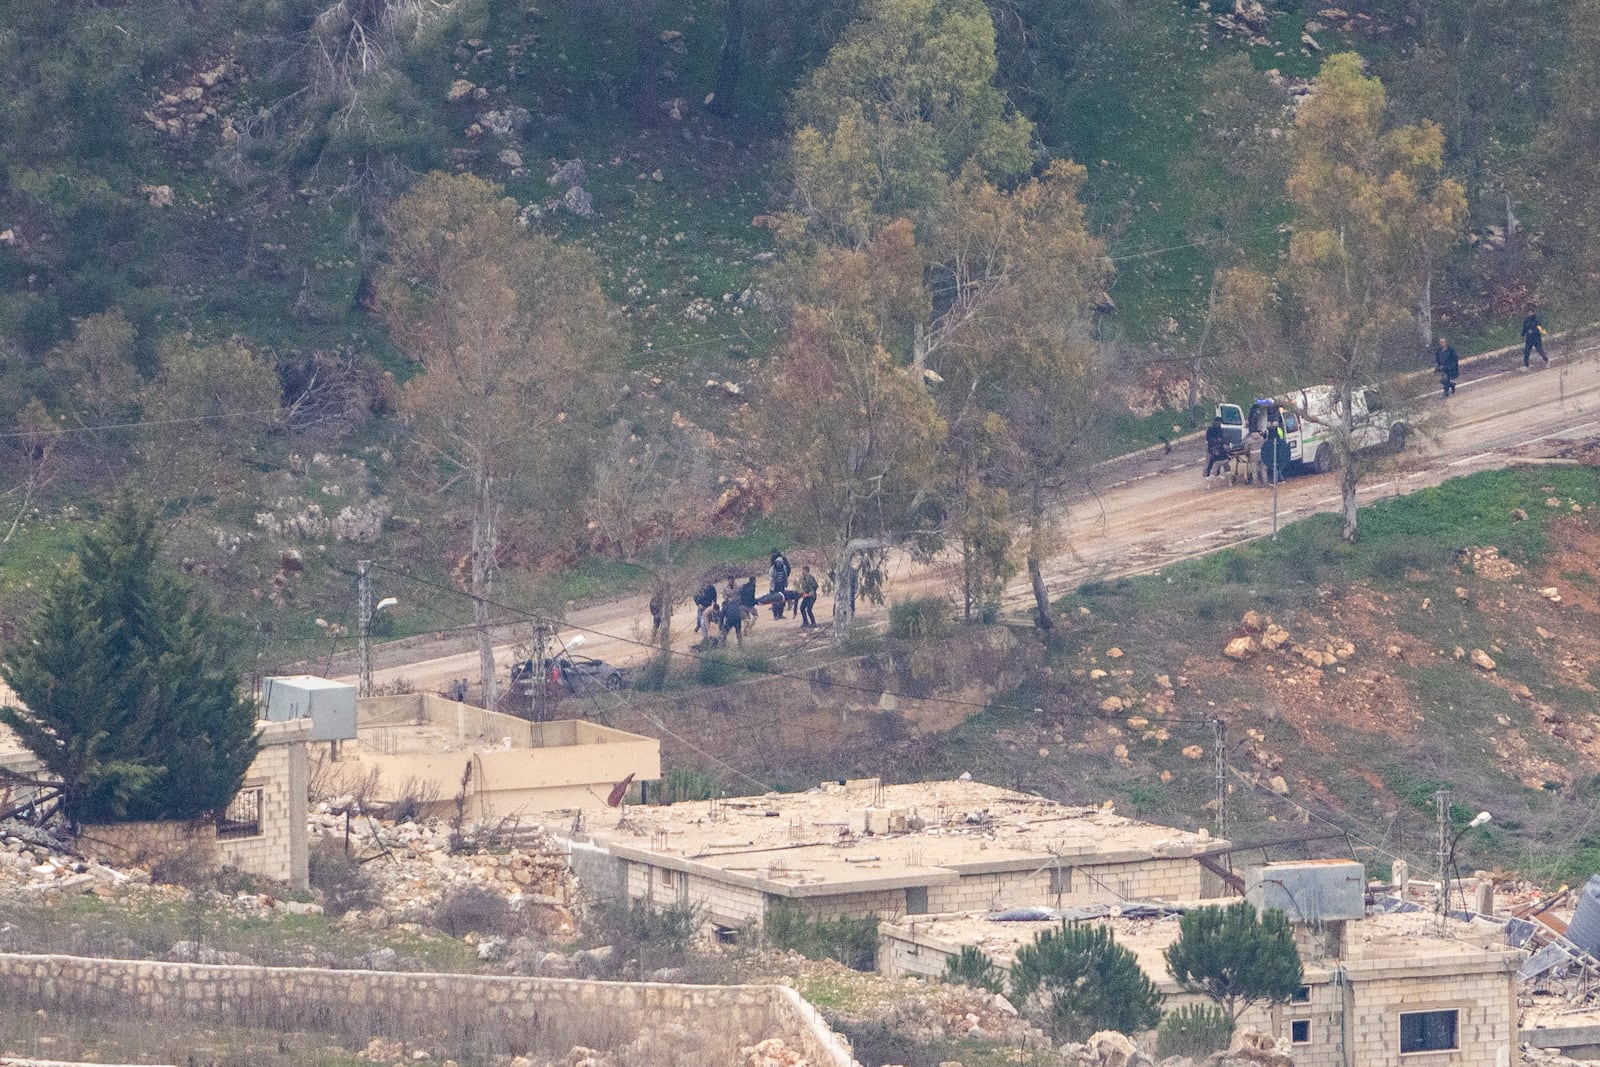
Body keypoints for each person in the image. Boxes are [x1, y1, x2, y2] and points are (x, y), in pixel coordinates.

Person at [768, 548, 791, 618]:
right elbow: (771, 578)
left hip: (781, 585)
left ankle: (780, 614)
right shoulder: (773, 568)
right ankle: (775, 615)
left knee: (782, 599)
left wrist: (785, 582)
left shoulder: (783, 567)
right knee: (774, 600)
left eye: (779, 563)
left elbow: (786, 573)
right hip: (775, 586)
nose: (778, 564)